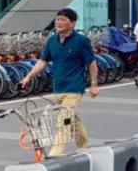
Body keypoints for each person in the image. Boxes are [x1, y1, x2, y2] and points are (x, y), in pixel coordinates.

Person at [21, 8, 98, 156]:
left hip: (74, 88)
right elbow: (43, 62)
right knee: (72, 119)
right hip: (58, 88)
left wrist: (94, 85)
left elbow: (92, 63)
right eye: (57, 19)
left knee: (63, 122)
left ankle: (54, 155)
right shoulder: (52, 41)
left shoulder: (81, 41)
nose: (59, 22)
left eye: (63, 20)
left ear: (72, 23)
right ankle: (84, 146)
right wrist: (28, 76)